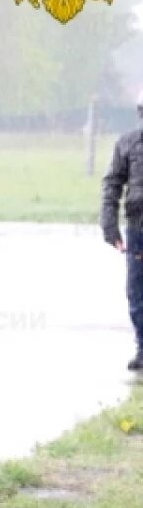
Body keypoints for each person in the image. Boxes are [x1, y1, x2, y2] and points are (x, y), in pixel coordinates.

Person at [100, 88, 143, 369]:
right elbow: (112, 184)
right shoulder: (127, 143)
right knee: (137, 291)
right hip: (138, 229)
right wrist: (109, 225)